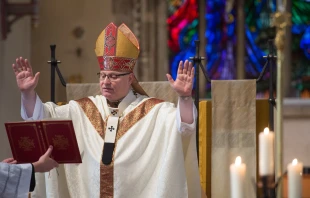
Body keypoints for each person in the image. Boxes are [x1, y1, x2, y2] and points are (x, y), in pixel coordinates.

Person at [12, 22, 201, 197]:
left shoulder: (153, 111)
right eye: (102, 75)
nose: (105, 82)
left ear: (130, 78)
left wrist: (184, 97)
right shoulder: (83, 109)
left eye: (113, 76)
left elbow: (184, 127)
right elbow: (45, 118)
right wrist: (28, 94)